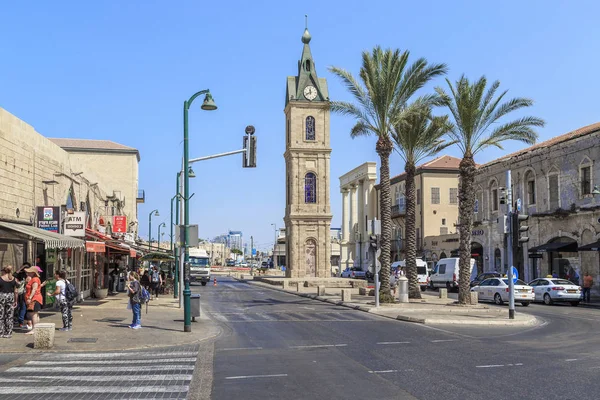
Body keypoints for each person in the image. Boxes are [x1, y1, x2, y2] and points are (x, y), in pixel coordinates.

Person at [24, 266, 43, 335]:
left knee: (33, 314)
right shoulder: (34, 279)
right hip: (35, 298)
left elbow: (34, 289)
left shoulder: (35, 279)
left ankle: (34, 329)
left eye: (29, 272)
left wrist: (29, 298)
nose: (27, 273)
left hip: (35, 298)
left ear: (33, 273)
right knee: (35, 314)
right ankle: (36, 328)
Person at [0, 266, 18, 338]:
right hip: (10, 297)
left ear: (4, 271)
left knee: (1, 315)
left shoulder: (1, 278)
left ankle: (1, 332)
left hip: (1, 297)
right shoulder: (14, 279)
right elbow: (16, 291)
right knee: (9, 316)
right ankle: (8, 332)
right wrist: (16, 300)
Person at [14, 263, 30, 328]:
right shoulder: (21, 274)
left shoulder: (30, 275)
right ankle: (19, 320)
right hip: (19, 293)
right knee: (19, 307)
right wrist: (21, 268)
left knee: (24, 308)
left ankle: (21, 321)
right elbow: (14, 275)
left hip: (26, 294)